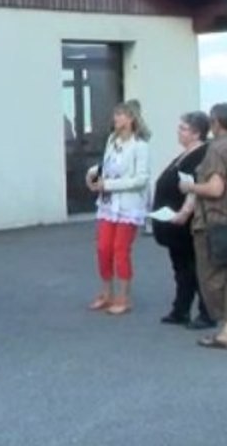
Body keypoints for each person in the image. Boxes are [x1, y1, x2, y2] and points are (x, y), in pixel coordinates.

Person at [174, 102, 227, 349]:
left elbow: (215, 188)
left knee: (212, 278)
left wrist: (190, 187)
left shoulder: (217, 150)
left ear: (216, 123)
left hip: (214, 221)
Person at [86, 99, 152, 315]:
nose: (116, 119)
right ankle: (106, 293)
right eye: (115, 115)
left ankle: (124, 297)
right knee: (103, 248)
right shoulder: (112, 140)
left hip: (128, 206)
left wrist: (110, 185)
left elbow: (141, 179)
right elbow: (107, 165)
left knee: (120, 250)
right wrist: (93, 174)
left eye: (120, 115)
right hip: (108, 204)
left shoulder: (140, 146)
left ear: (131, 118)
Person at [151, 111, 215, 329]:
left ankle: (207, 312)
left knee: (195, 267)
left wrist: (184, 213)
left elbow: (194, 188)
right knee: (181, 268)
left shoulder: (201, 155)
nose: (179, 132)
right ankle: (181, 309)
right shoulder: (184, 155)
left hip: (186, 223)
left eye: (183, 128)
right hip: (172, 223)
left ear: (197, 133)